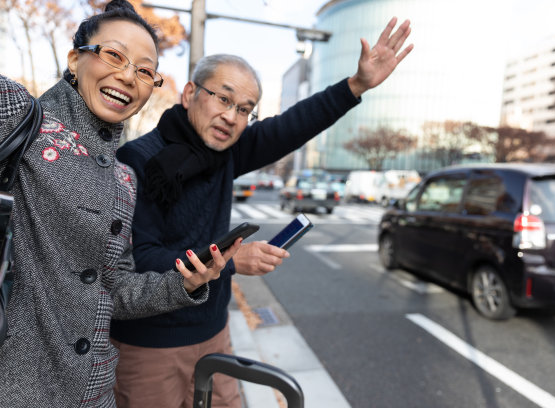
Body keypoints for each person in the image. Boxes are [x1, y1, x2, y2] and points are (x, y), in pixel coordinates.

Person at [111, 16, 414, 408]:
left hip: (213, 331)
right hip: (148, 344)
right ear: (189, 93)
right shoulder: (136, 160)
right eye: (223, 98)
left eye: (245, 109)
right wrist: (232, 260)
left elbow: (291, 126)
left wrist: (355, 86)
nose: (231, 116)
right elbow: (140, 259)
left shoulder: (226, 152)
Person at [0, 1, 239, 406]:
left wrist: (186, 283)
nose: (128, 76)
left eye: (145, 71)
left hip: (94, 391)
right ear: (75, 59)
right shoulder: (19, 118)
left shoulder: (124, 179)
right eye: (113, 55)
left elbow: (114, 291)